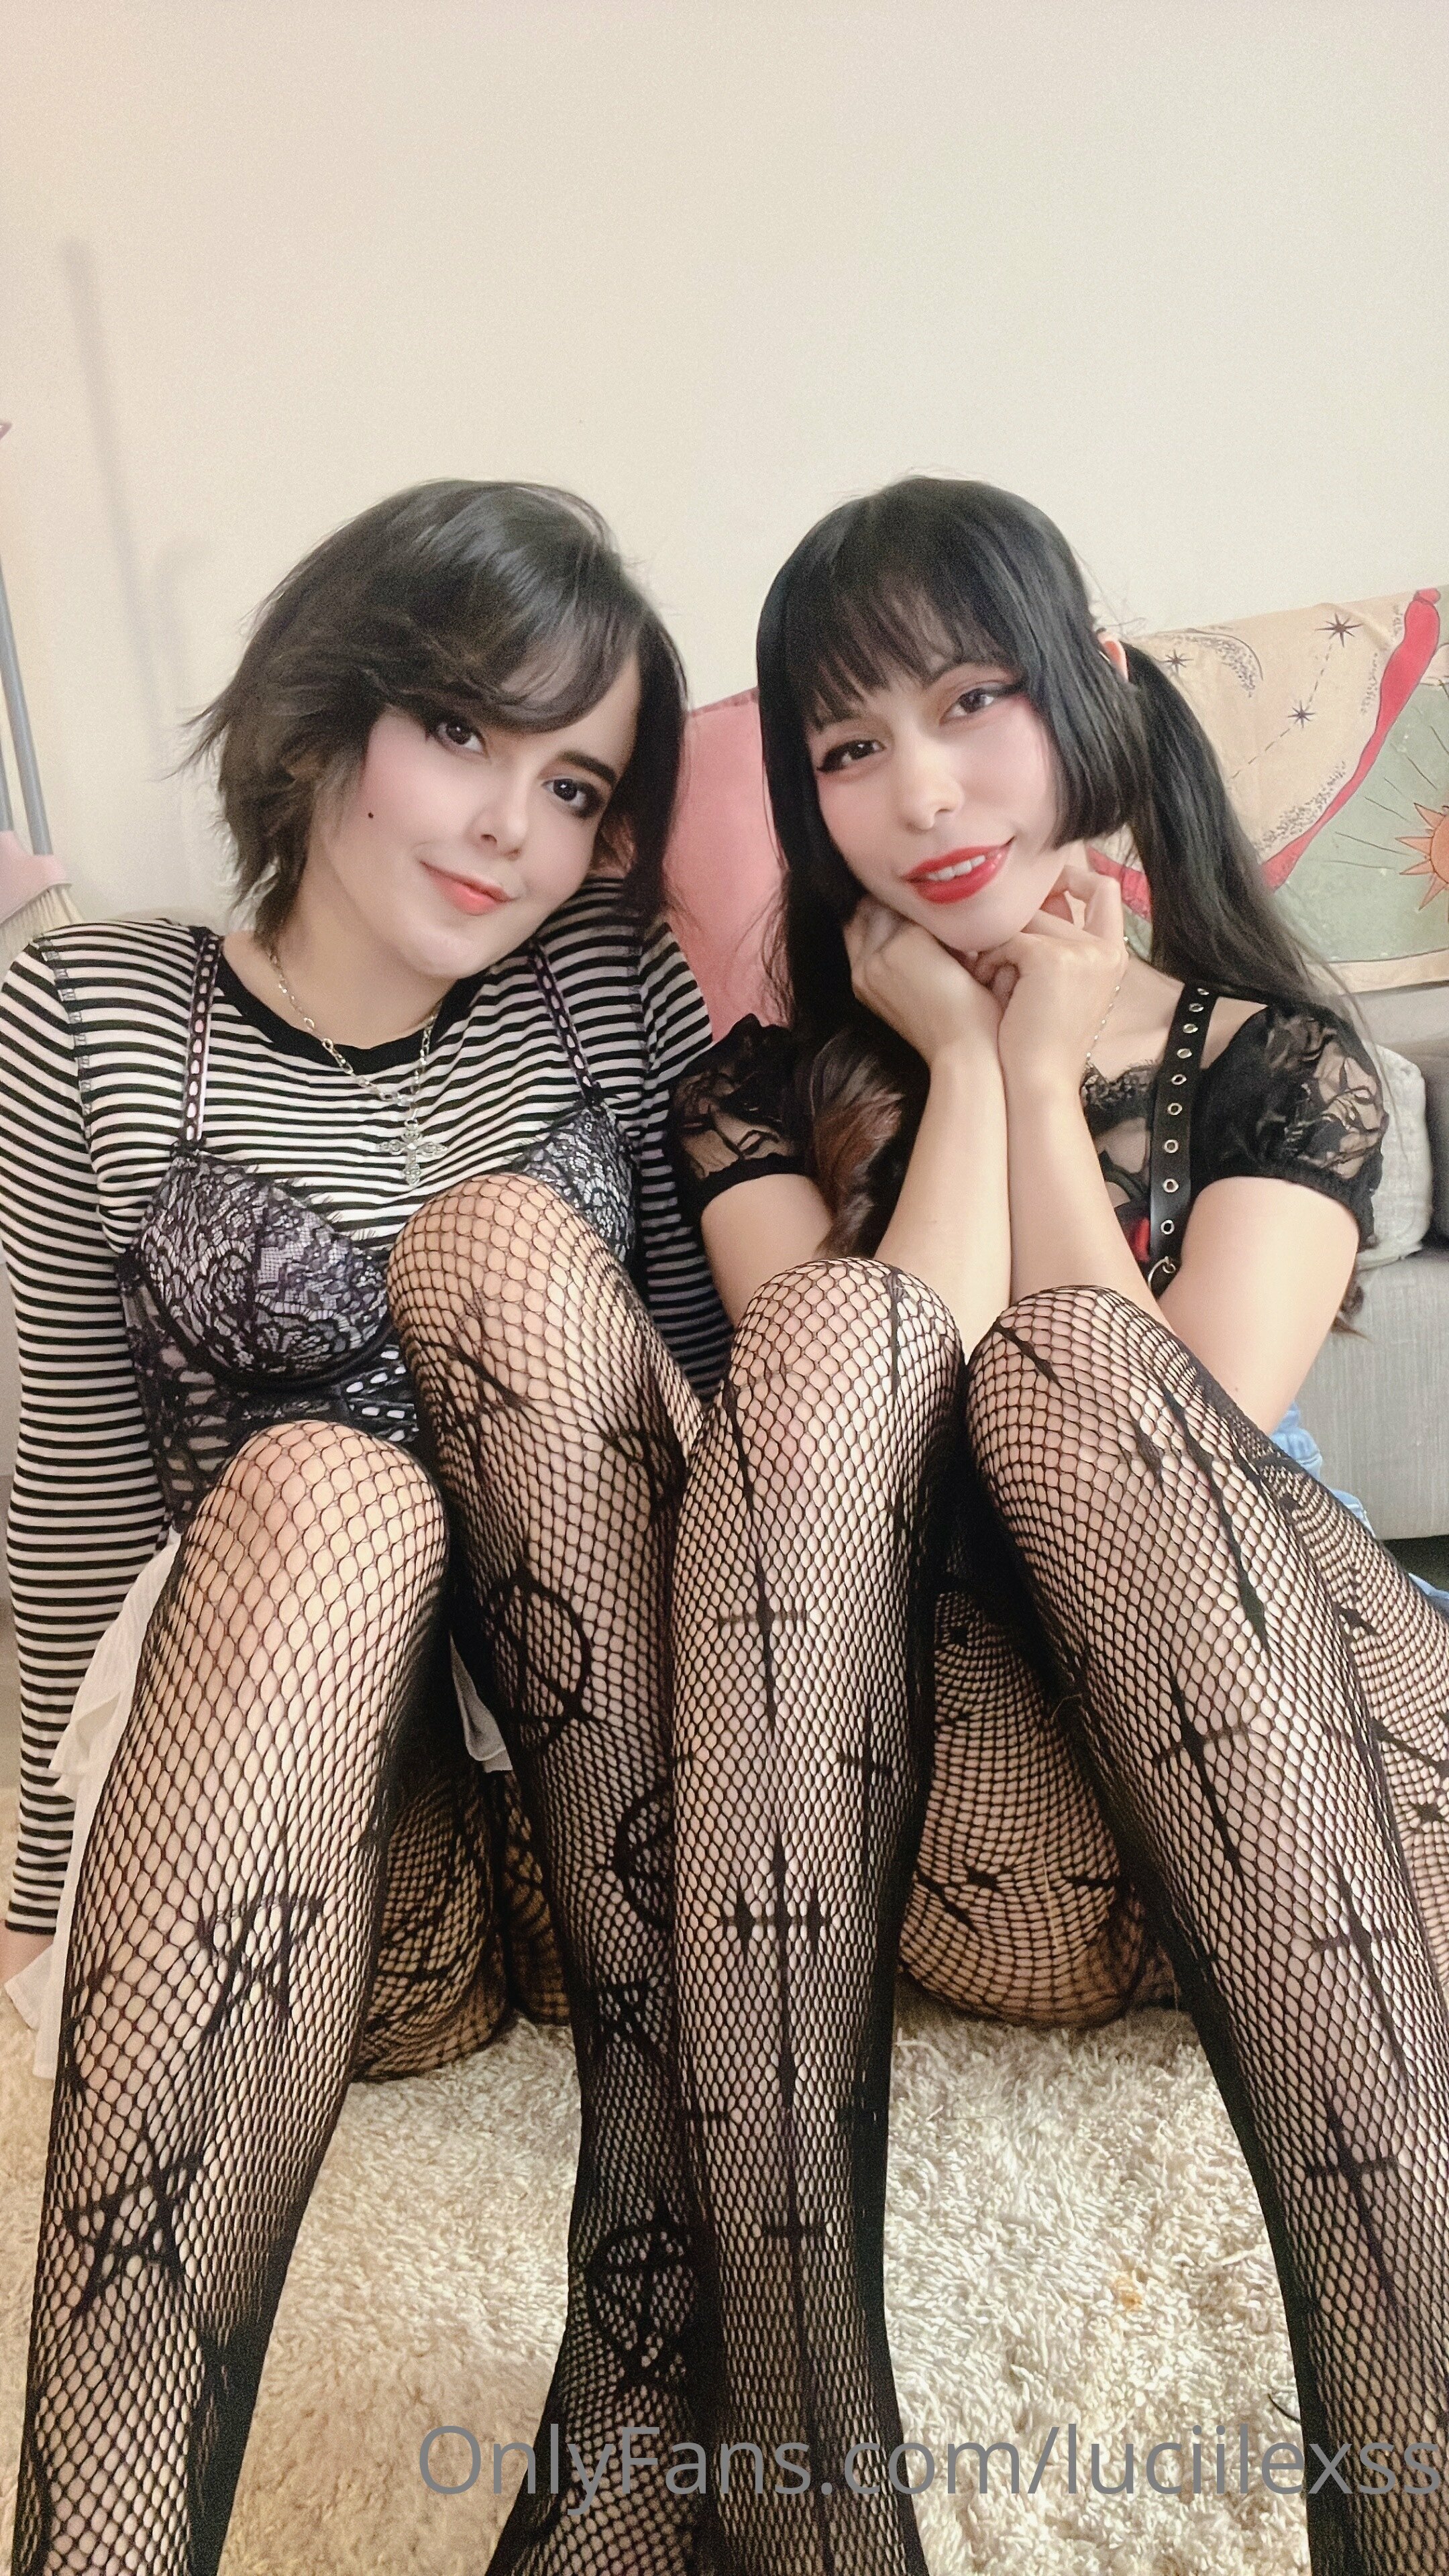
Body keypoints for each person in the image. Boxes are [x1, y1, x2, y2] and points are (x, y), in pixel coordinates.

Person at [415, 480, 1449, 2576]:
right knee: (837, 1348)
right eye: (849, 744)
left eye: (976, 700)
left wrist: (1050, 1068)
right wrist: (967, 1070)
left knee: (1079, 1374)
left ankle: (1418, 2413)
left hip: (1299, 1754)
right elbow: (872, 1451)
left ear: (1089, 697)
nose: (925, 789)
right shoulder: (753, 1097)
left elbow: (1159, 1437)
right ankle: (801, 2440)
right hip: (978, 1793)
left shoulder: (1283, 1060)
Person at [0, 477, 730, 2575]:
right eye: (463, 731)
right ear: (330, 714)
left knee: (509, 1255)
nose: (510, 827)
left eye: (575, 787)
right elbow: (66, 1493)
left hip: (612, 1824)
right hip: (329, 1839)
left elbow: (720, 1413)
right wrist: (42, 1889)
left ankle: (665, 2295)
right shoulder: (88, 1013)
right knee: (325, 1489)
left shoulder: (610, 990)